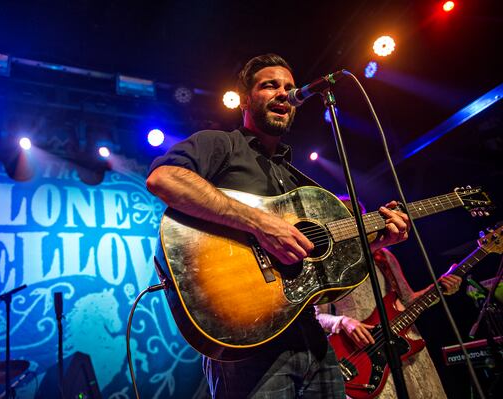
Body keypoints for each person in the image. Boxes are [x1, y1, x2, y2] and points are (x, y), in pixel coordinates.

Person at [146, 54, 410, 398]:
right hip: (245, 342)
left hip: (310, 337)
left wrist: (375, 243)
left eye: (289, 87)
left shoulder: (294, 177)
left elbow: (320, 261)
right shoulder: (220, 144)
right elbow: (164, 178)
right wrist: (259, 223)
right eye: (270, 85)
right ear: (244, 99)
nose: (284, 93)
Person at [316, 199, 462, 399]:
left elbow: (408, 301)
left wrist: (438, 288)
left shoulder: (384, 257)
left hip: (402, 347)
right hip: (357, 354)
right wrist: (343, 322)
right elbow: (316, 318)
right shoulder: (327, 264)